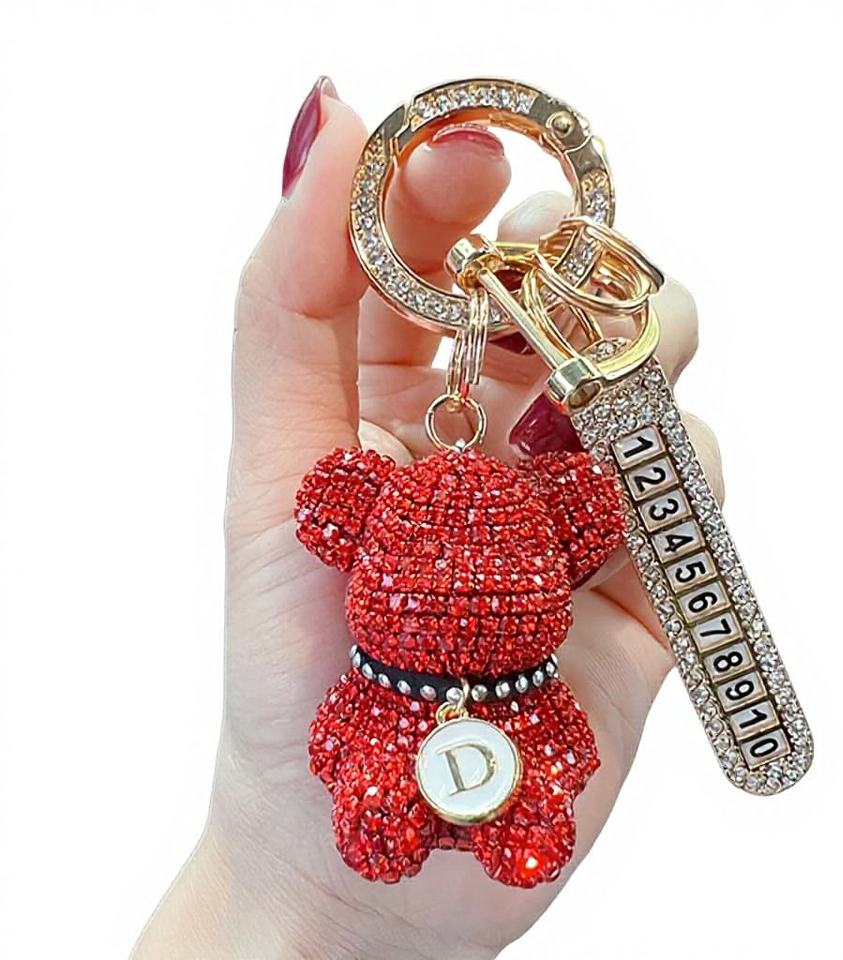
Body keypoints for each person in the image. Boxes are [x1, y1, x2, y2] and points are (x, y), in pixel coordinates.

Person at [133, 75, 720, 960]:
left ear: (571, 534)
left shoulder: (544, 643)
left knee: (531, 807)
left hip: (520, 705)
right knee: (377, 805)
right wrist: (284, 887)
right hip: (391, 710)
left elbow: (564, 749)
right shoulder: (361, 676)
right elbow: (339, 747)